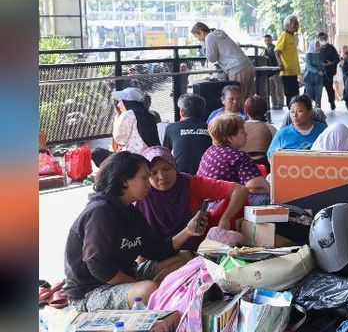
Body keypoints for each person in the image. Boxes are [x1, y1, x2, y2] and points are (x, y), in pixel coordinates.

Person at [62, 151, 202, 311]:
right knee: (147, 290)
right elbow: (98, 266)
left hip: (127, 274)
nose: (149, 183)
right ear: (124, 181)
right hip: (91, 292)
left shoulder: (130, 211)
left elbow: (155, 250)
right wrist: (136, 284)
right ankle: (155, 295)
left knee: (185, 258)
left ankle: (155, 294)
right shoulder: (100, 211)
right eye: (144, 177)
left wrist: (188, 231)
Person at [136, 147, 249, 251]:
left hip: (193, 246)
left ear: (175, 166)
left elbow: (240, 190)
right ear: (146, 176)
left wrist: (226, 218)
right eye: (154, 173)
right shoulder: (143, 192)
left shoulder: (190, 183)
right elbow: (140, 241)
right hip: (157, 251)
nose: (161, 177)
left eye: (166, 169)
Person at [197, 115, 271, 196]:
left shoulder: (210, 151)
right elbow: (256, 186)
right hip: (224, 203)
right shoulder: (238, 156)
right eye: (242, 132)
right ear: (230, 137)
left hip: (206, 202)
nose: (246, 134)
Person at [93, 87, 161, 166]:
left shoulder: (129, 114)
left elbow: (119, 140)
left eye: (121, 101)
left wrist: (118, 117)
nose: (119, 104)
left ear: (127, 102)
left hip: (133, 159)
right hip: (151, 156)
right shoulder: (150, 115)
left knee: (97, 152)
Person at [192, 22, 254, 99]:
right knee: (247, 98)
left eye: (196, 37)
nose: (198, 40)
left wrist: (204, 46)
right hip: (247, 65)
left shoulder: (209, 37)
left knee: (236, 99)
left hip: (236, 68)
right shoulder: (218, 33)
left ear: (201, 32)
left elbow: (212, 58)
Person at [161, 93, 211, 175]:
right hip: (206, 175)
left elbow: (164, 153)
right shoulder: (210, 128)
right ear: (202, 111)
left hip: (180, 176)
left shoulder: (171, 128)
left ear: (181, 112)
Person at [242, 95, 277, 166]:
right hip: (263, 166)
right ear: (265, 110)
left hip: (242, 164)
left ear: (245, 110)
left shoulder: (239, 127)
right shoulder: (270, 128)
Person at [275, 15, 301, 103]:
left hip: (293, 71)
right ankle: (292, 113)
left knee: (296, 95)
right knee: (290, 95)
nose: (297, 26)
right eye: (295, 24)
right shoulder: (284, 35)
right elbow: (277, 51)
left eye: (297, 24)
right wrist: (280, 63)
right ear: (288, 24)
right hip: (287, 71)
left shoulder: (292, 36)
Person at [262, 33, 286, 110]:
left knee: (278, 88)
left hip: (276, 71)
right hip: (269, 72)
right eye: (265, 40)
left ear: (271, 40)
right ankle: (274, 103)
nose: (267, 41)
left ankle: (280, 104)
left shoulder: (275, 48)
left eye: (268, 40)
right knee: (271, 90)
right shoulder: (265, 49)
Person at [302, 37, 326, 108]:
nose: (319, 47)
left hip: (319, 79)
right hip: (309, 78)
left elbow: (322, 64)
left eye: (319, 45)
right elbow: (308, 65)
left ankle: (318, 111)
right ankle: (309, 110)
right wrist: (317, 71)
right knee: (310, 95)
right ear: (313, 46)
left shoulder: (320, 54)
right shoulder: (308, 55)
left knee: (319, 95)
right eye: (317, 45)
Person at [318, 33, 339, 111]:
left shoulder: (331, 48)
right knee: (317, 89)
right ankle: (317, 105)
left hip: (329, 72)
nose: (323, 40)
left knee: (329, 88)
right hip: (319, 72)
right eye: (321, 39)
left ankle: (332, 102)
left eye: (324, 38)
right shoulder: (317, 48)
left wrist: (331, 63)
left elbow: (337, 59)